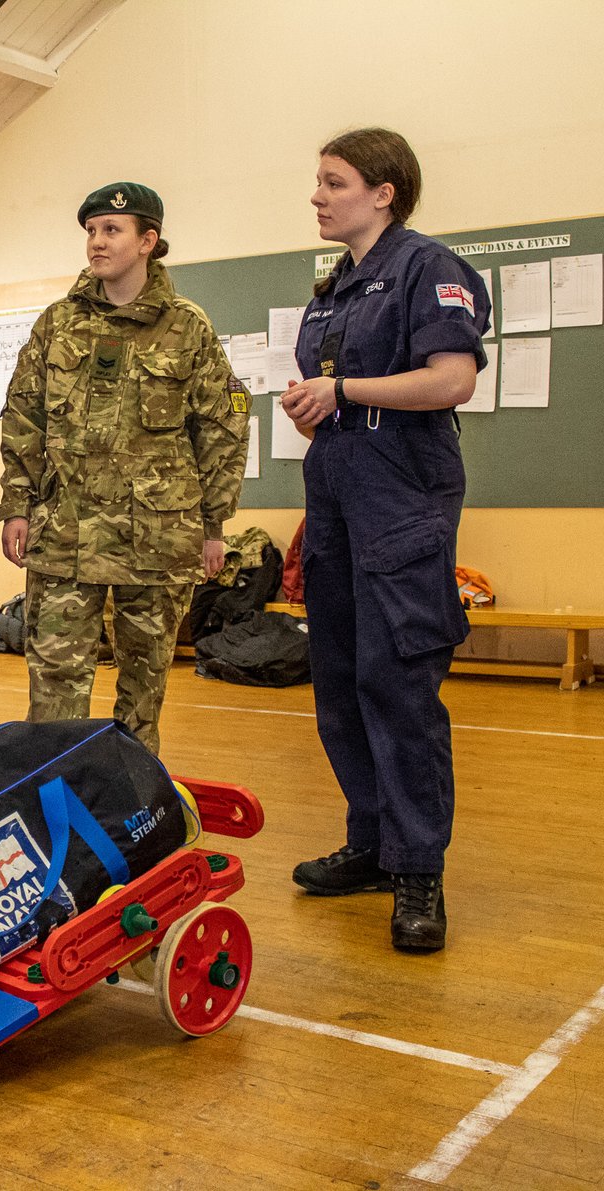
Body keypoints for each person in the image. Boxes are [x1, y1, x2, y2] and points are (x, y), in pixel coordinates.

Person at [282, 128, 490, 953]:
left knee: (397, 689)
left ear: (384, 193)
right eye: (319, 180)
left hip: (401, 505)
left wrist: (340, 388)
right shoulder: (333, 288)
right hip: (335, 500)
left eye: (334, 182)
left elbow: (452, 378)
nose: (318, 195)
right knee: (338, 684)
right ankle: (371, 846)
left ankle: (417, 872)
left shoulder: (426, 269)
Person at [0, 183, 250, 756]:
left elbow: (224, 424)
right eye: (90, 231)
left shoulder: (187, 327)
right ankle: (56, 806)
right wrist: (16, 505)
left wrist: (214, 524)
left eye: (111, 230)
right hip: (65, 532)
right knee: (55, 684)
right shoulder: (57, 324)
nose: (96, 242)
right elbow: (22, 417)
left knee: (144, 689)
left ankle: (132, 809)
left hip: (157, 537)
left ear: (148, 241)